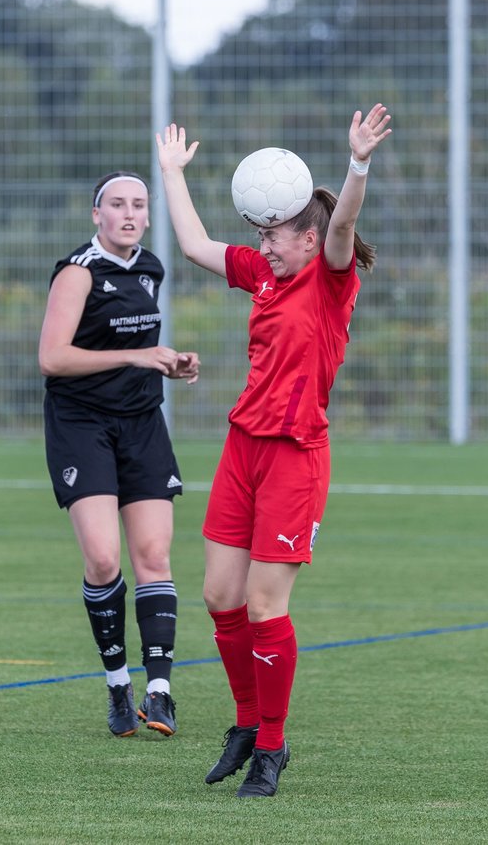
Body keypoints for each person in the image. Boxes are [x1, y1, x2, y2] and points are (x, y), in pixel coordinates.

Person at [155, 104, 392, 797]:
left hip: (295, 454)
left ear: (309, 239)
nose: (265, 246)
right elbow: (197, 245)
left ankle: (273, 746)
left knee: (265, 604)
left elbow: (345, 222)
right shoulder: (262, 275)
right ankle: (246, 724)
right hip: (243, 448)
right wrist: (172, 173)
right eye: (259, 236)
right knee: (219, 595)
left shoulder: (330, 278)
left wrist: (357, 163)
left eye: (276, 236)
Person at [38, 170, 200, 738]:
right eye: (117, 205)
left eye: (139, 204)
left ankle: (160, 693)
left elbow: (142, 349)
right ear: (96, 216)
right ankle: (116, 686)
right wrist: (135, 357)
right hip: (81, 425)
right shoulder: (78, 273)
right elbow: (53, 359)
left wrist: (172, 364)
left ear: (148, 216)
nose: (129, 213)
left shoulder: (151, 268)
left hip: (141, 424)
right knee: (105, 559)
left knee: (154, 554)